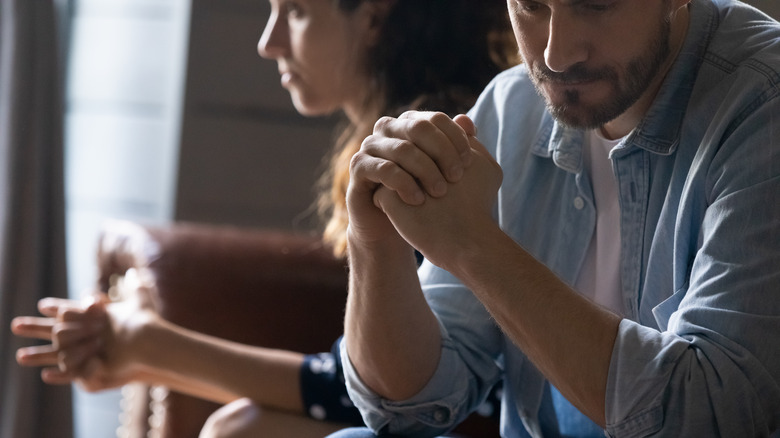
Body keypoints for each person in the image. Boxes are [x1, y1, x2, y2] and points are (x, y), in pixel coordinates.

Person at [11, 0, 517, 436]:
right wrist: (138, 353)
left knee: (243, 431)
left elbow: (369, 391)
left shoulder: (435, 149)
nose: (268, 43)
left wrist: (148, 347)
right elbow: (349, 382)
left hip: (478, 417)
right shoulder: (394, 139)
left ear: (373, 15)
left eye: (295, 11)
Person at [332, 0, 780, 437]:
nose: (556, 55)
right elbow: (408, 408)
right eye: (531, 6)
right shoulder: (513, 107)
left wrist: (476, 247)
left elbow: (710, 416)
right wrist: (374, 241)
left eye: (596, 5)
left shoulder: (763, 103)